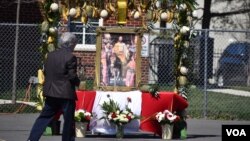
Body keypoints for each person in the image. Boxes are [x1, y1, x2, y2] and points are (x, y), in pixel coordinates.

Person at [27, 32, 80, 141]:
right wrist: (78, 82)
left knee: (44, 117)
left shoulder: (50, 55)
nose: (74, 46)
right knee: (68, 121)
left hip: (51, 92)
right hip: (65, 94)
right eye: (74, 44)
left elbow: (46, 72)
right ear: (70, 44)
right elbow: (72, 76)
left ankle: (32, 139)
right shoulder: (71, 57)